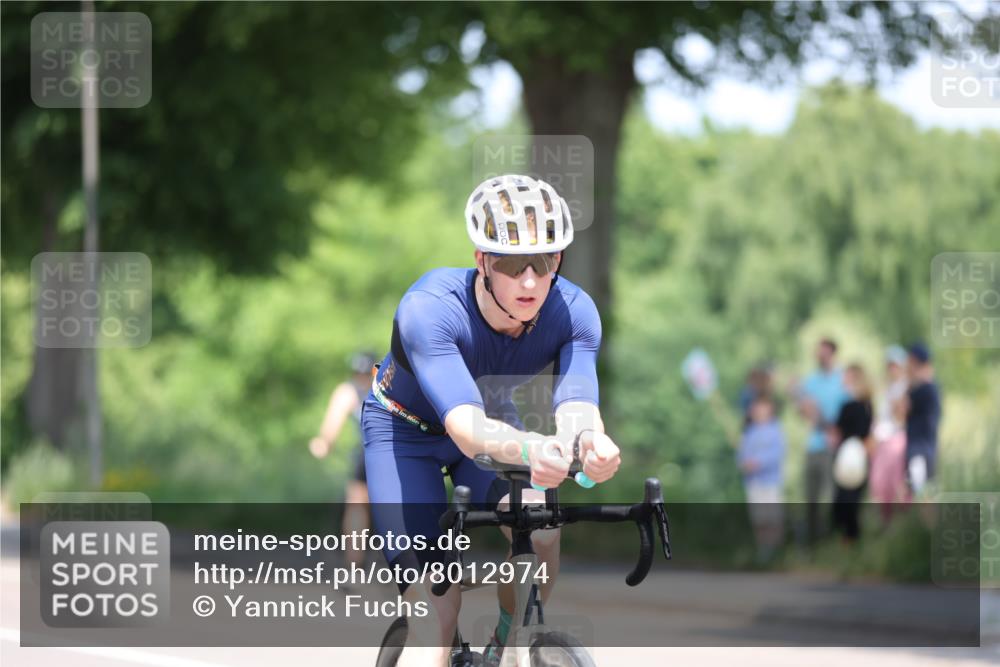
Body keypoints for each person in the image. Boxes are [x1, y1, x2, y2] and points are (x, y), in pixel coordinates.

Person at [361, 174, 621, 667]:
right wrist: (533, 449)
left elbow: (577, 405)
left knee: (542, 532)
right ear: (482, 260)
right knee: (434, 611)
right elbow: (464, 427)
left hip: (495, 418)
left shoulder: (574, 311)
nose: (529, 281)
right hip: (404, 432)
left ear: (558, 261)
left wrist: (590, 443)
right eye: (509, 262)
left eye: (544, 262)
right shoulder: (429, 309)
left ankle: (507, 643)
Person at [309, 350, 377, 566]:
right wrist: (325, 442)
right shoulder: (355, 391)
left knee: (361, 505)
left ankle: (357, 563)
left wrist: (324, 443)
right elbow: (332, 423)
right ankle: (356, 562)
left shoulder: (358, 390)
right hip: (377, 453)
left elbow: (331, 426)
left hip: (380, 453)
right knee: (361, 504)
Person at [797, 338, 850, 545]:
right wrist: (805, 408)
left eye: (825, 352)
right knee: (811, 498)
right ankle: (812, 544)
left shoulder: (842, 380)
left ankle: (832, 541)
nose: (821, 356)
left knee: (832, 496)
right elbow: (804, 411)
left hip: (834, 446)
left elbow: (849, 412)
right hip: (814, 445)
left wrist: (836, 431)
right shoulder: (811, 381)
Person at [737, 394, 786, 562]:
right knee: (758, 518)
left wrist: (759, 463)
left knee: (772, 517)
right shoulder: (749, 432)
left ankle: (775, 551)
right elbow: (742, 455)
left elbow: (776, 454)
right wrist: (745, 463)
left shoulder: (775, 431)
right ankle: (763, 550)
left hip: (770, 482)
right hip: (754, 483)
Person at [830, 364, 874, 544]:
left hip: (856, 458)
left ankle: (851, 539)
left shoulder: (862, 406)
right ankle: (846, 539)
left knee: (850, 502)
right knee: (843, 502)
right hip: (846, 457)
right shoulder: (851, 405)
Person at [870, 346, 909, 522]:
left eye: (895, 365)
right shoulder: (886, 390)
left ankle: (904, 523)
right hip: (882, 440)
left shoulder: (906, 388)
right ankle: (886, 523)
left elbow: (900, 417)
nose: (892, 369)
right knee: (879, 484)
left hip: (898, 439)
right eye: (890, 365)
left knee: (897, 483)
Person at [904, 342, 941, 495]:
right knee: (921, 492)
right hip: (924, 447)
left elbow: (901, 409)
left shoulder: (924, 388)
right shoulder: (930, 387)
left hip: (920, 449)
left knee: (924, 495)